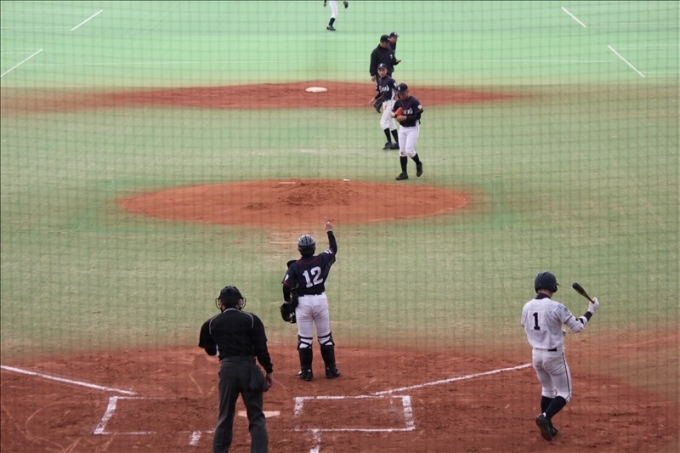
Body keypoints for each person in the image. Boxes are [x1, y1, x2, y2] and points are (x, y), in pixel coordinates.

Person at [521, 271, 600, 441]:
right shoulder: (556, 307)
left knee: (547, 389)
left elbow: (527, 327)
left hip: (536, 356)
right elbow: (577, 327)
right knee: (565, 392)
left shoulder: (527, 306)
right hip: (554, 357)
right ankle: (545, 417)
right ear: (553, 287)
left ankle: (548, 426)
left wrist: (556, 332)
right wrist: (590, 310)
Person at [199, 285, 274, 453]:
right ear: (239, 302)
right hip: (249, 369)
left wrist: (224, 353)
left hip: (227, 370)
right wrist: (268, 371)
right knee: (256, 416)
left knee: (225, 415)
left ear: (221, 303)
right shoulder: (252, 320)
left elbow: (210, 349)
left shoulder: (210, 323)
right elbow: (261, 349)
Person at [282, 219, 340, 381]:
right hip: (320, 301)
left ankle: (307, 372)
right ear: (313, 248)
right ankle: (331, 370)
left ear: (299, 249)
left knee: (305, 340)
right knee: (325, 337)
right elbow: (333, 249)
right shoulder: (321, 259)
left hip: (303, 304)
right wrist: (329, 231)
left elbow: (286, 286)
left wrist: (288, 301)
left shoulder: (294, 266)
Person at [391, 83, 424, 180]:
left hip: (413, 128)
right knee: (402, 151)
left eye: (403, 93)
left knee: (409, 150)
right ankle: (404, 173)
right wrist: (394, 115)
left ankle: (418, 163)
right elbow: (393, 112)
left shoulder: (414, 101)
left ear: (407, 91)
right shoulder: (398, 102)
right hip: (403, 129)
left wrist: (405, 117)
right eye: (399, 94)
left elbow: (418, 116)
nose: (401, 95)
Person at [369, 63, 400, 150]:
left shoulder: (391, 80)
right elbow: (380, 92)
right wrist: (374, 99)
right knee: (391, 123)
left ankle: (389, 142)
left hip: (391, 103)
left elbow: (398, 90)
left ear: (386, 70)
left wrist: (401, 102)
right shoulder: (379, 81)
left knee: (383, 122)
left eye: (383, 70)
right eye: (380, 70)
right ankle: (398, 143)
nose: (381, 72)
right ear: (378, 71)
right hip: (385, 104)